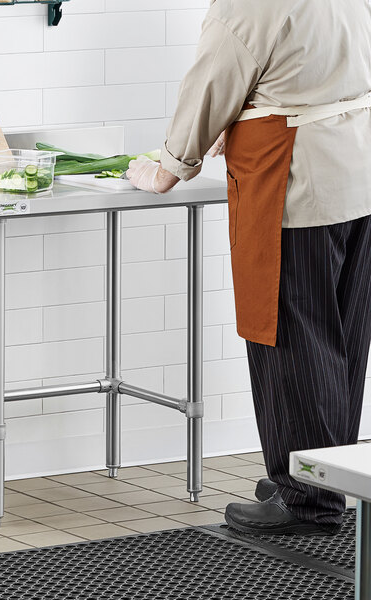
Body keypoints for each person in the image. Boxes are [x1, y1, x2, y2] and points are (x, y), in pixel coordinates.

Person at [127, 0, 371, 536]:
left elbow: (212, 83)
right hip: (358, 168)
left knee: (291, 337)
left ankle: (306, 501)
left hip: (296, 179)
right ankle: (321, 476)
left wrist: (168, 165)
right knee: (344, 340)